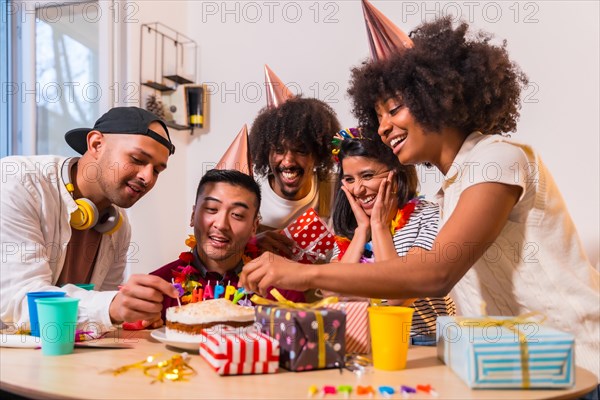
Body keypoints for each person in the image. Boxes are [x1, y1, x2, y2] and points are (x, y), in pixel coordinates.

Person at [240, 17, 600, 376]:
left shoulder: (496, 159)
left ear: (438, 99)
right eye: (378, 115)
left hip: (577, 366)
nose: (383, 127)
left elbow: (434, 273)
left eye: (394, 109)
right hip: (516, 368)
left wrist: (304, 276)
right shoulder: (452, 190)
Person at [0, 107, 179, 333]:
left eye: (157, 171)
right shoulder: (16, 182)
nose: (147, 177)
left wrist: (126, 316)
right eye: (137, 159)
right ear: (96, 144)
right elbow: (17, 300)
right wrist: (111, 307)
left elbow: (98, 313)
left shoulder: (118, 225)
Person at [330, 135, 454, 344]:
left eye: (367, 175)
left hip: (423, 342)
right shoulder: (350, 229)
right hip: (363, 343)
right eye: (350, 179)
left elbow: (399, 294)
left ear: (396, 175)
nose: (358, 189)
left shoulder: (429, 215)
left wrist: (379, 227)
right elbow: (336, 293)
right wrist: (362, 231)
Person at [150, 169, 304, 319]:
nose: (222, 224)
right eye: (211, 209)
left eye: (237, 215)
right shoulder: (157, 288)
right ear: (193, 215)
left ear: (254, 227)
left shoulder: (282, 293)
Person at [249, 96, 341, 255]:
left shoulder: (335, 190)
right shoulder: (249, 195)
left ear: (318, 155)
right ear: (266, 153)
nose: (288, 161)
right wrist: (250, 244)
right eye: (279, 150)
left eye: (301, 150)